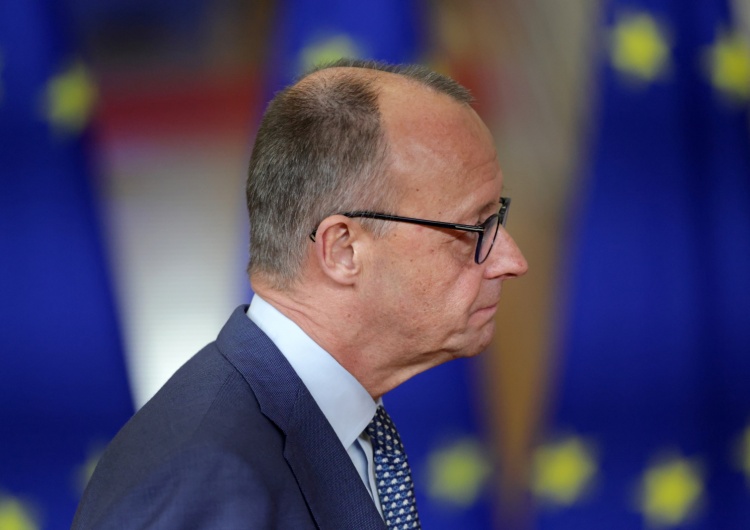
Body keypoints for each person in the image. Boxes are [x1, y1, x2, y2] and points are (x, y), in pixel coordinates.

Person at [72, 59, 528, 529]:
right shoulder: (208, 479)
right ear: (343, 250)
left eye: (498, 216)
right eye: (475, 228)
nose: (512, 260)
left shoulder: (323, 427)